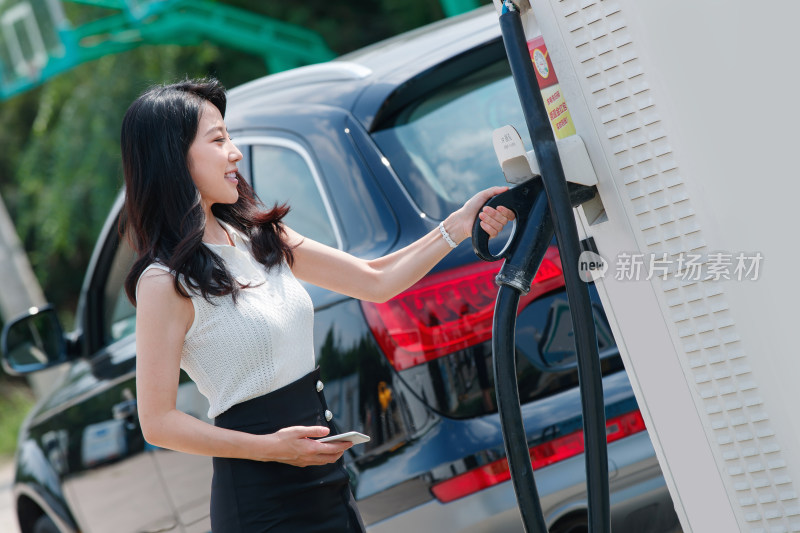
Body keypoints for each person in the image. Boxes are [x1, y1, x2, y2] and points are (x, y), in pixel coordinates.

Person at [121, 78, 514, 533]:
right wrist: (272, 448)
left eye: (229, 136)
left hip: (326, 480)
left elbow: (376, 279)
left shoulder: (260, 237)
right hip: (260, 501)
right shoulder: (165, 282)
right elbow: (158, 423)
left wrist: (459, 225)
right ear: (174, 159)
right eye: (218, 139)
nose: (235, 152)